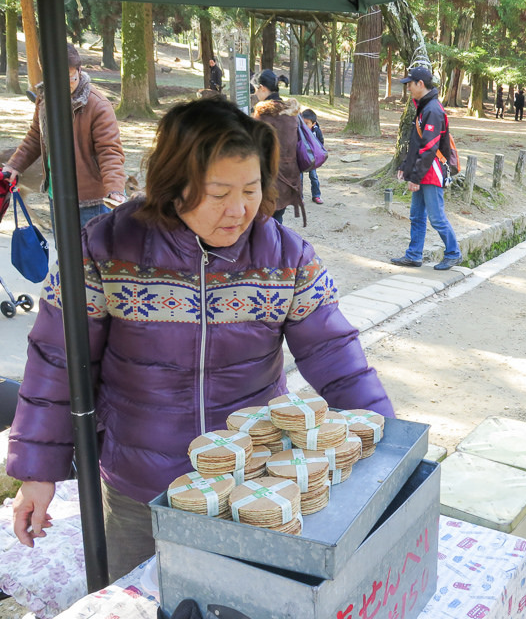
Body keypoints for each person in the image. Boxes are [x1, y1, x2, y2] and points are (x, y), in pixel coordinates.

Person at [7, 97, 394, 582]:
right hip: (137, 485)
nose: (239, 210)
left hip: (250, 484)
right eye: (218, 193)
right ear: (174, 184)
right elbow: (57, 360)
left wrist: (390, 450)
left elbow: (337, 358)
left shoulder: (286, 257)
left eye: (251, 189)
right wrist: (38, 473)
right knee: (138, 600)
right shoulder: (104, 248)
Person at [2, 43, 126, 229]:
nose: (64, 84)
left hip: (90, 200)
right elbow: (36, 136)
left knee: (90, 257)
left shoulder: (97, 105)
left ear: (79, 69)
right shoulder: (44, 99)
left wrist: (114, 189)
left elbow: (110, 152)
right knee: (65, 254)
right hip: (57, 194)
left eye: (70, 78)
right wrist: (14, 165)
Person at [390, 66, 461, 271]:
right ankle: (414, 255)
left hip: (432, 171)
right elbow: (416, 144)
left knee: (436, 218)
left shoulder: (432, 110)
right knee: (416, 215)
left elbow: (429, 148)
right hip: (423, 171)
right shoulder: (424, 107)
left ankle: (453, 253)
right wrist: (406, 166)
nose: (408, 88)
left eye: (410, 84)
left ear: (420, 84)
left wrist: (416, 177)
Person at [252, 68, 305, 226]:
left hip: (269, 180)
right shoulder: (291, 114)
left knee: (264, 226)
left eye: (255, 90)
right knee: (277, 221)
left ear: (262, 88)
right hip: (289, 179)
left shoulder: (263, 116)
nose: (255, 94)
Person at [300, 108, 325, 205]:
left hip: (312, 159)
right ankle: (299, 198)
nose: (304, 125)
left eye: (307, 123)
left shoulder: (316, 132)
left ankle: (316, 195)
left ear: (313, 123)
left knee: (313, 177)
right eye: (302, 122)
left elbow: (320, 143)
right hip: (300, 158)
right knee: (299, 178)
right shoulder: (299, 130)